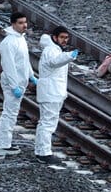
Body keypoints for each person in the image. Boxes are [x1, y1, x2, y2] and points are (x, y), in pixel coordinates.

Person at [34, 26, 80, 165]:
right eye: (62, 37)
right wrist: (69, 56)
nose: (65, 40)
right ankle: (44, 153)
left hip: (53, 92)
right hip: (51, 92)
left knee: (47, 122)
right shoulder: (51, 50)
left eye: (66, 38)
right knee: (47, 123)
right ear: (54, 38)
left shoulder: (56, 49)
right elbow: (54, 62)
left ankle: (41, 151)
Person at [0, 11, 37, 158]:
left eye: (25, 22)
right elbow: (8, 66)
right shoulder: (8, 43)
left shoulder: (20, 38)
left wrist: (31, 75)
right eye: (20, 23)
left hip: (20, 81)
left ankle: (6, 143)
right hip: (13, 82)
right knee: (9, 113)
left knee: (12, 113)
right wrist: (14, 86)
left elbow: (24, 60)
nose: (24, 25)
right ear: (13, 24)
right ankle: (3, 145)